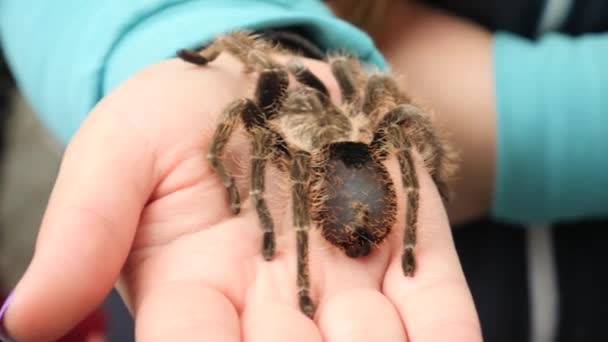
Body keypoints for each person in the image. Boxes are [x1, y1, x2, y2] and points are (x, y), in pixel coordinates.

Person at [0, 1, 481, 341]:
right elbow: (397, 104)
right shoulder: (368, 114)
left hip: (336, 182)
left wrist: (230, 177)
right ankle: (404, 240)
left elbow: (242, 101)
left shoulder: (276, 133)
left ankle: (291, 255)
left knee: (295, 161)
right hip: (362, 170)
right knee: (404, 122)